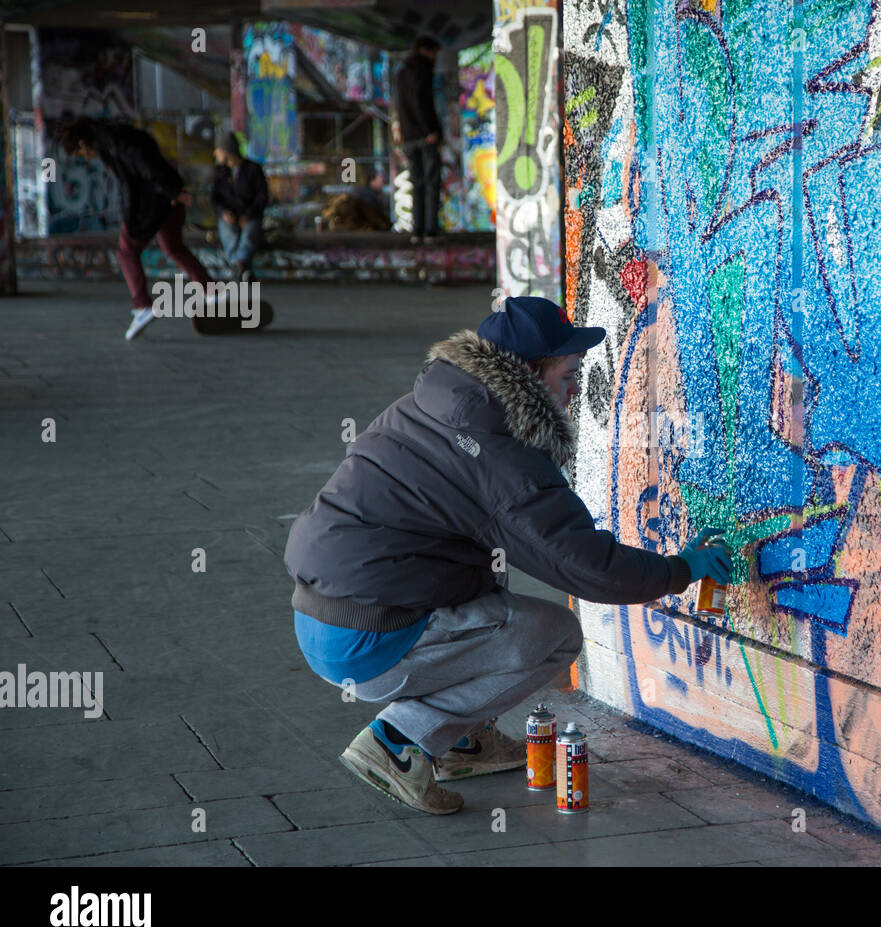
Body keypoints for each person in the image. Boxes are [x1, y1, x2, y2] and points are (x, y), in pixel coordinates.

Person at [282, 296, 734, 814]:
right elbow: (586, 566)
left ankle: (463, 743)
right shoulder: (501, 456)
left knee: (491, 591)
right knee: (554, 635)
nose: (574, 390)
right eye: (568, 375)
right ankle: (398, 744)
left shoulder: (433, 404)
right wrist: (681, 570)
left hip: (321, 613)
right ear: (527, 375)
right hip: (366, 639)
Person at [57, 116, 227, 340]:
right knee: (174, 248)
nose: (87, 158)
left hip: (153, 202)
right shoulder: (119, 132)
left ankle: (142, 306)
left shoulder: (110, 140)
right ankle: (211, 290)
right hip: (166, 197)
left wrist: (170, 190)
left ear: (82, 143)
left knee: (126, 251)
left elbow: (143, 162)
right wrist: (172, 189)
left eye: (81, 154)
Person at [394, 35, 443, 241]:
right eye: (434, 53)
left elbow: (402, 105)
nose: (435, 58)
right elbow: (421, 103)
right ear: (426, 50)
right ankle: (430, 230)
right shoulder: (423, 70)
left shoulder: (402, 72)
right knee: (431, 182)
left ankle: (417, 231)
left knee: (417, 182)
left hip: (408, 135)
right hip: (424, 134)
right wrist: (430, 129)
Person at [211, 131, 268, 282]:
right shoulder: (220, 172)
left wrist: (248, 215)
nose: (215, 154)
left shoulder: (253, 169)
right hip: (230, 215)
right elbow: (215, 198)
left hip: (250, 214)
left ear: (226, 151)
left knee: (249, 233)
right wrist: (224, 212)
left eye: (218, 150)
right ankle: (242, 268)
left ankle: (237, 267)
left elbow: (262, 197)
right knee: (230, 233)